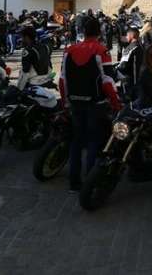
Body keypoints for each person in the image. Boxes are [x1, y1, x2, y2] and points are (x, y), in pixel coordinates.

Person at [59, 17, 121, 192]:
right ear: (99, 32)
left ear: (83, 32)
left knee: (76, 141)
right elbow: (107, 81)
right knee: (94, 141)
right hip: (96, 103)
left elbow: (62, 80)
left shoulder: (69, 50)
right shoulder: (101, 50)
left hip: (74, 103)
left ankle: (74, 183)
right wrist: (116, 104)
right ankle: (90, 182)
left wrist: (65, 102)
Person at [17, 25, 52, 90]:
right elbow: (49, 65)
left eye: (22, 37)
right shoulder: (45, 47)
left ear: (27, 37)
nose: (21, 39)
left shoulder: (28, 50)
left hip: (34, 84)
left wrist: (18, 90)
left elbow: (25, 72)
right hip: (47, 81)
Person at [117, 28, 144, 101]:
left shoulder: (132, 47)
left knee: (129, 102)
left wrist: (116, 69)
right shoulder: (139, 46)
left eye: (127, 35)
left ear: (131, 35)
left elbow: (124, 65)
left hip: (129, 81)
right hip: (136, 80)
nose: (126, 37)